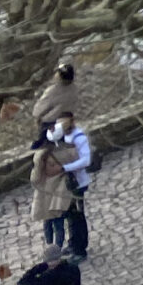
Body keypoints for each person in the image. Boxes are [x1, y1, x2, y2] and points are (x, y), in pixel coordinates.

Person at [50, 112, 91, 261]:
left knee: (78, 216)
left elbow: (86, 160)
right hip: (67, 184)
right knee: (71, 216)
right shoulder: (63, 137)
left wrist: (65, 168)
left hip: (77, 184)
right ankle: (74, 243)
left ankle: (80, 250)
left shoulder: (79, 137)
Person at [29, 140, 74, 256]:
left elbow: (34, 179)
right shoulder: (57, 156)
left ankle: (52, 248)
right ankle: (55, 248)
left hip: (48, 202)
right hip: (55, 201)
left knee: (50, 225)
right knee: (57, 226)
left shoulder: (40, 162)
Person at [32, 62, 77, 141]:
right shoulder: (74, 89)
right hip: (67, 121)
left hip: (51, 123)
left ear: (59, 76)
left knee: (45, 145)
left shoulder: (53, 90)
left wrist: (37, 117)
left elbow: (42, 106)